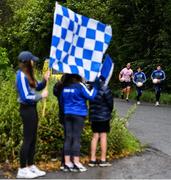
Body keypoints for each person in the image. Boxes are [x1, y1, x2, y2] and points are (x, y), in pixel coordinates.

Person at [16, 51, 50, 179]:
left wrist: (45, 80)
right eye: (32, 60)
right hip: (26, 109)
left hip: (32, 109)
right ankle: (22, 169)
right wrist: (41, 96)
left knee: (33, 138)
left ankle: (30, 165)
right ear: (27, 62)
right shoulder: (21, 76)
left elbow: (38, 86)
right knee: (28, 139)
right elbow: (26, 96)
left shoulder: (28, 75)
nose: (33, 62)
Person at [59, 74, 98, 172]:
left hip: (67, 113)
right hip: (78, 114)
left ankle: (67, 163)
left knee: (68, 138)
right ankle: (76, 162)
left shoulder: (65, 87)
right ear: (77, 77)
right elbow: (91, 96)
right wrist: (96, 87)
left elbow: (61, 101)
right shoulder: (80, 86)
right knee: (76, 138)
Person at [88, 76, 113, 167]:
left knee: (95, 136)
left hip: (94, 116)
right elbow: (110, 103)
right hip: (104, 116)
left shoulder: (91, 88)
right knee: (103, 136)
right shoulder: (105, 88)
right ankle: (103, 160)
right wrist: (109, 112)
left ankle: (92, 160)